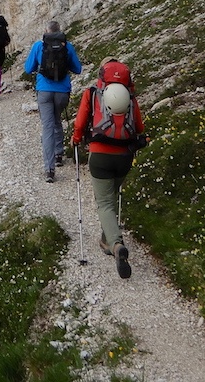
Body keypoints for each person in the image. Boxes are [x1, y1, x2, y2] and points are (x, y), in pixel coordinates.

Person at [72, 58, 148, 279]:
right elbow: (140, 127)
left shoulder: (93, 92)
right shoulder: (130, 97)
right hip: (125, 156)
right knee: (112, 197)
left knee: (104, 202)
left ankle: (116, 245)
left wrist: (76, 139)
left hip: (100, 155)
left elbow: (80, 122)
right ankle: (107, 240)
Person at [23, 21, 82, 183]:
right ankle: (59, 153)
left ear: (46, 32)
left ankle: (49, 169)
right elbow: (77, 69)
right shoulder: (67, 46)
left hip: (44, 90)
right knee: (57, 119)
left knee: (48, 125)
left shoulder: (38, 46)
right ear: (59, 32)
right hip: (62, 92)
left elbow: (28, 69)